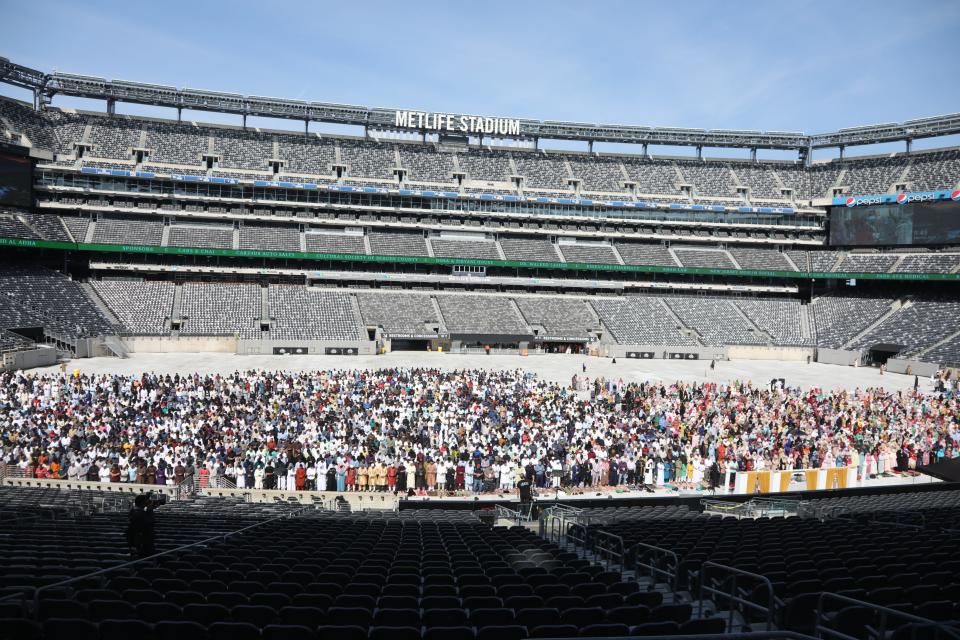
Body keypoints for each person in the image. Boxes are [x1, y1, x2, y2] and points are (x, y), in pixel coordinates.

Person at [126, 493, 157, 558]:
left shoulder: (132, 511)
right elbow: (151, 522)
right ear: (143, 503)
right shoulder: (141, 513)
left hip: (135, 540)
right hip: (143, 541)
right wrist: (150, 510)